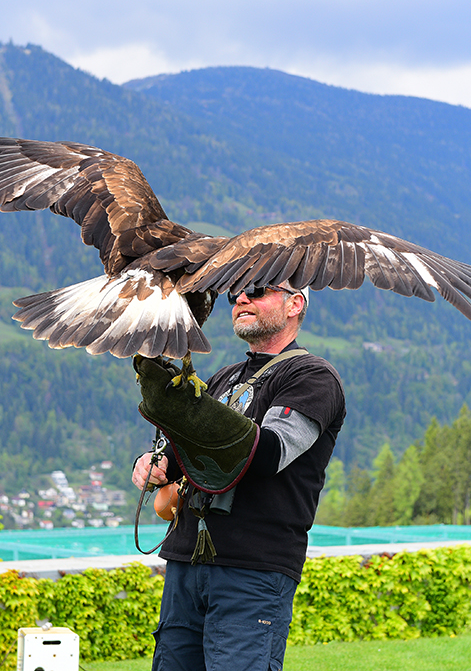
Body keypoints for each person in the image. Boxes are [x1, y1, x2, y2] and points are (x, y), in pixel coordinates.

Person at [131, 284, 346, 670]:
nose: (241, 299)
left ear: (295, 304)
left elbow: (269, 454)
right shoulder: (222, 378)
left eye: (257, 291)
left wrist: (194, 413)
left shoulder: (312, 376)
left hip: (253, 569)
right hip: (186, 561)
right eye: (234, 294)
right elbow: (184, 456)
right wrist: (154, 463)